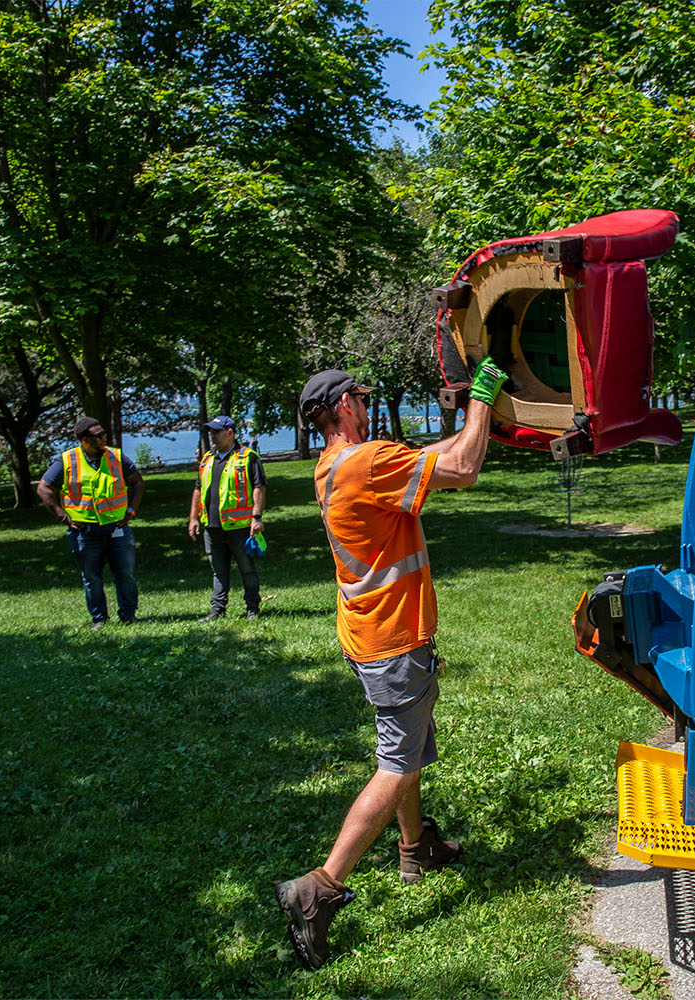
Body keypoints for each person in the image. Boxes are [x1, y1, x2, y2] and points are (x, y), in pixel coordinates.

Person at [275, 360, 507, 969]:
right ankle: (318, 887)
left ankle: (414, 848)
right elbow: (463, 468)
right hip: (393, 642)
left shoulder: (333, 467)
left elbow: (427, 457)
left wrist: (462, 416)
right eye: (361, 397)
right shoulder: (369, 461)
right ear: (346, 406)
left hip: (367, 633)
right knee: (398, 764)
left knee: (409, 751)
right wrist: (482, 399)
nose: (368, 404)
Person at [35, 416, 145, 629]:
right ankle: (99, 619)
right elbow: (43, 488)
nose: (104, 438)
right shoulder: (67, 461)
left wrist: (131, 510)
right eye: (98, 436)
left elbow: (137, 482)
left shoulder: (116, 457)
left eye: (104, 434)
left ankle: (129, 614)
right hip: (84, 532)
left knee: (126, 573)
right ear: (84, 439)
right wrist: (63, 516)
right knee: (92, 578)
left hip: (117, 529)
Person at [188, 415, 267, 621]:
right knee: (218, 571)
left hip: (239, 527)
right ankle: (217, 609)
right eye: (211, 431)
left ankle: (252, 609)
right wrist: (193, 518)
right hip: (212, 527)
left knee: (247, 569)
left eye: (216, 431)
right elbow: (198, 489)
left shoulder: (247, 457)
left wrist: (256, 517)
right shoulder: (207, 459)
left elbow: (259, 487)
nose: (212, 435)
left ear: (230, 433)